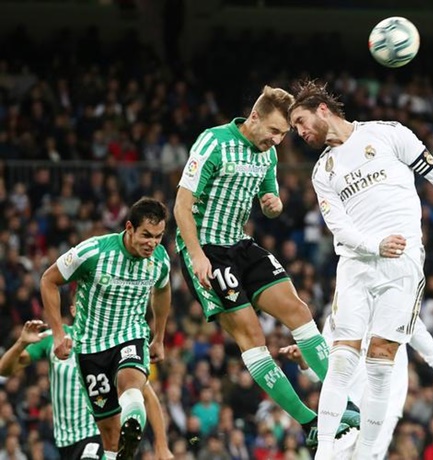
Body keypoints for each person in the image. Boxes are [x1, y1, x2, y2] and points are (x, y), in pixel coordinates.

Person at [288, 80, 433, 459]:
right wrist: (374, 244)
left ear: (322, 108)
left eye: (300, 121)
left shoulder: (388, 134)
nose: (299, 131)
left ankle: (368, 454)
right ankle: (325, 454)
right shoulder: (322, 170)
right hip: (357, 264)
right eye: (294, 127)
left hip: (403, 264)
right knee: (343, 359)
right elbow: (338, 228)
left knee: (379, 362)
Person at [172, 85, 356, 445]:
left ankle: (342, 402)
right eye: (273, 131)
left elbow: (270, 198)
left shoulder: (267, 155)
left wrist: (273, 204)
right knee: (252, 337)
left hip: (240, 244)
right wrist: (196, 255)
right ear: (253, 117)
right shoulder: (213, 142)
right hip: (208, 250)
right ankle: (308, 421)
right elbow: (182, 205)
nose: (276, 140)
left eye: (283, 134)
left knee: (299, 311)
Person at [41, 197, 172, 460]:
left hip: (130, 335)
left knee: (130, 381)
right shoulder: (93, 252)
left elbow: (162, 289)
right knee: (110, 437)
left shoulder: (159, 259)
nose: (152, 243)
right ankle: (124, 440)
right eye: (146, 235)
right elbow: (48, 280)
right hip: (90, 347)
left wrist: (158, 337)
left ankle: (133, 425)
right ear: (129, 227)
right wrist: (57, 334)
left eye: (158, 237)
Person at [280, 316, 433, 459]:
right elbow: (321, 370)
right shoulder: (340, 312)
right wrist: (303, 362)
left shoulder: (403, 309)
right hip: (346, 406)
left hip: (385, 406)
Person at [0, 317, 174, 460]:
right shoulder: (54, 338)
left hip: (98, 433)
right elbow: (5, 369)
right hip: (65, 441)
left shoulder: (111, 343)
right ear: (74, 309)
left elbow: (148, 397)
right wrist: (21, 343)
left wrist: (161, 445)